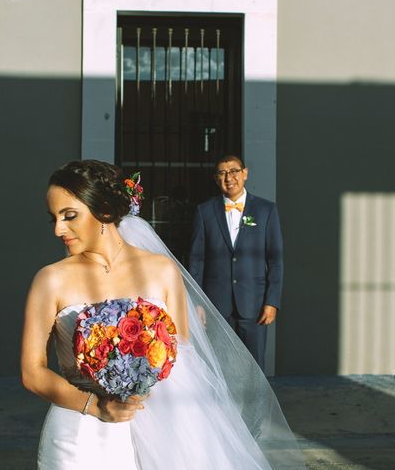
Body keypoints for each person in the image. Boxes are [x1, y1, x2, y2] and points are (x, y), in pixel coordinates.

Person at [21, 160, 304, 469]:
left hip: (162, 425)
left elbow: (182, 358)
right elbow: (32, 372)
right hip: (81, 430)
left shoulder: (162, 271)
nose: (58, 229)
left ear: (103, 209)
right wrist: (96, 406)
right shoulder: (51, 280)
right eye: (54, 218)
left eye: (69, 216)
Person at [188, 155, 283, 370]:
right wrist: (197, 302)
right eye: (222, 173)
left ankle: (254, 405)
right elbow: (196, 259)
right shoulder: (204, 211)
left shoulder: (266, 210)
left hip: (255, 305)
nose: (228, 177)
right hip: (216, 305)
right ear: (215, 178)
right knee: (220, 367)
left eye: (233, 171)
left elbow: (275, 260)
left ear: (245, 173)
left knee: (254, 368)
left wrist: (272, 301)